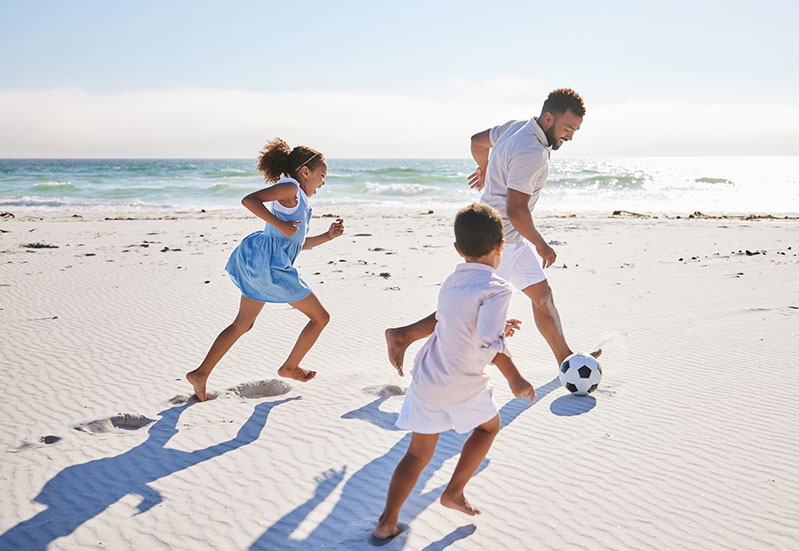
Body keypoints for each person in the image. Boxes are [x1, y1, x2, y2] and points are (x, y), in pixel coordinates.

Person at [385, 88, 596, 370]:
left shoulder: (516, 127)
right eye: (568, 128)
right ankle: (403, 336)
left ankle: (566, 361)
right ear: (548, 118)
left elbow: (477, 141)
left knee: (542, 296)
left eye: (575, 130)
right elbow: (516, 210)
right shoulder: (531, 150)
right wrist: (541, 244)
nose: (570, 136)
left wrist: (485, 168)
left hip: (508, 238)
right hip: (500, 243)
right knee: (467, 310)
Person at [373, 204, 536, 540]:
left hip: (427, 379)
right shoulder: (498, 287)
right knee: (489, 428)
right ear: (500, 246)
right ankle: (454, 491)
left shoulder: (451, 282)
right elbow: (488, 341)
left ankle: (387, 521)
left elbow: (454, 321)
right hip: (463, 382)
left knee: (417, 453)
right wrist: (514, 377)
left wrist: (495, 325)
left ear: (458, 249)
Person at [185, 138, 345, 402]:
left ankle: (201, 373)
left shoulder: (301, 199)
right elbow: (250, 200)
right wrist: (279, 225)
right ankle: (290, 367)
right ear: (305, 172)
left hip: (262, 264)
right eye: (322, 175)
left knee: (242, 324)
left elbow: (296, 243)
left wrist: (327, 236)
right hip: (270, 267)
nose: (323, 182)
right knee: (320, 318)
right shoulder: (290, 188)